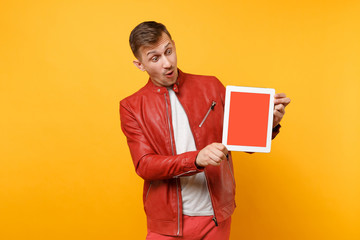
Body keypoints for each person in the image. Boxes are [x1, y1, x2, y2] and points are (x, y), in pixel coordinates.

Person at [120, 21, 290, 240]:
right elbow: (145, 165)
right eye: (155, 58)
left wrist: (270, 124)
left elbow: (243, 142)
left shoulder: (211, 86)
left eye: (169, 51)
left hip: (215, 219)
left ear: (173, 45)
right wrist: (196, 159)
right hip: (167, 223)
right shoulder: (132, 106)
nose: (167, 63)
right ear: (140, 64)